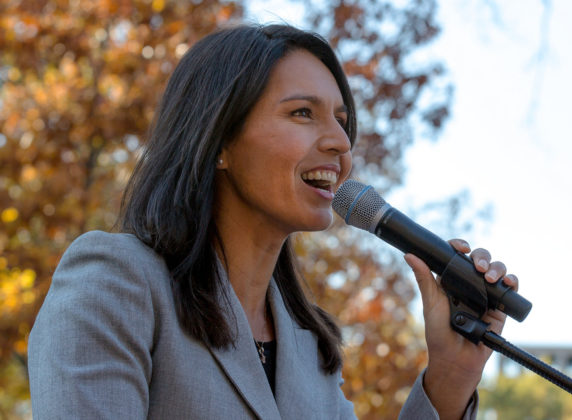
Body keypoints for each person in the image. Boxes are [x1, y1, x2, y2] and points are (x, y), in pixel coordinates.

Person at [27, 23, 518, 419]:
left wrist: (450, 378)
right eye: (303, 113)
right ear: (218, 139)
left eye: (342, 122)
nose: (340, 144)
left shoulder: (310, 350)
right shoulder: (116, 282)